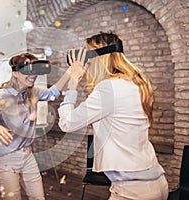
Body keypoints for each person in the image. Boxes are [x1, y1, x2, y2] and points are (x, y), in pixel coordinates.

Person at [58, 32, 168, 200]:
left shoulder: (108, 89)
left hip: (133, 191)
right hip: (156, 182)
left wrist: (72, 85)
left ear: (99, 58)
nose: (85, 62)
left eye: (87, 55)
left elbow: (67, 123)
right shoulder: (138, 82)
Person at [0, 53, 72, 200]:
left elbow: (53, 93)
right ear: (15, 73)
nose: (33, 75)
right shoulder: (1, 97)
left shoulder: (34, 92)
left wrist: (71, 71)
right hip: (6, 160)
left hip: (28, 155)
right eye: (28, 70)